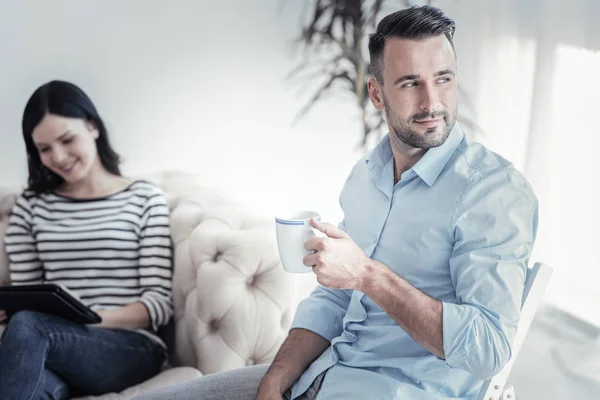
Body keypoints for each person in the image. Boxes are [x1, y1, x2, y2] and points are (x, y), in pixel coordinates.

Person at [135, 5, 537, 400]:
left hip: (401, 389)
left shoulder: (493, 193)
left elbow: (489, 347)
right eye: (411, 83)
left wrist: (367, 275)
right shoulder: (367, 176)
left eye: (443, 79)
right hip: (323, 372)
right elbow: (336, 297)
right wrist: (274, 380)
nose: (432, 102)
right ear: (377, 94)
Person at [0, 80, 174, 399]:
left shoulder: (144, 198)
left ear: (92, 127)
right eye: (44, 149)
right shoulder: (31, 206)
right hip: (56, 348)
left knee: (28, 326)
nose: (60, 156)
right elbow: (26, 296)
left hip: (130, 346)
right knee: (36, 386)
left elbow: (158, 304)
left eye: (67, 140)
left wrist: (86, 319)